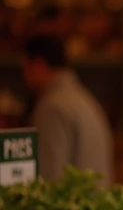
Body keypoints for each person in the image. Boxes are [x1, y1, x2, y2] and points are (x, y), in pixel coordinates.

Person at [21, 34, 113, 185]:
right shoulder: (85, 99)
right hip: (94, 205)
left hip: (74, 207)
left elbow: (49, 179)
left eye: (25, 67)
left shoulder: (52, 107)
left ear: (38, 65)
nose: (23, 75)